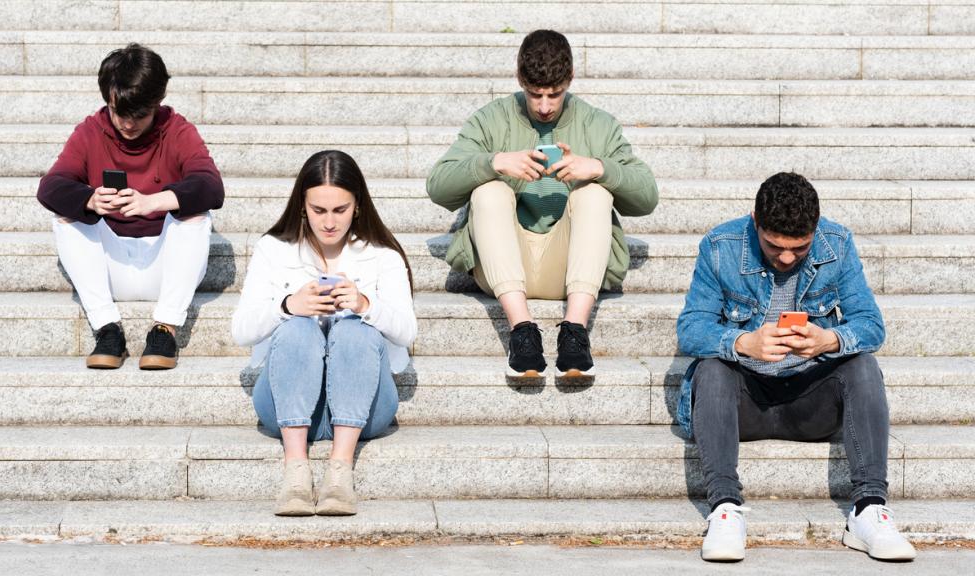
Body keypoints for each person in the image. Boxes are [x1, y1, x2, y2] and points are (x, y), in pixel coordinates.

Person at [676, 172, 916, 562]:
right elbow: (690, 329)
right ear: (755, 221)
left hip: (810, 402)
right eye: (774, 246)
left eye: (800, 248)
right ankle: (724, 508)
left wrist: (829, 339)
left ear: (815, 229)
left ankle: (869, 509)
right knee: (712, 369)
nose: (786, 258)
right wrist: (742, 343)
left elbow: (871, 325)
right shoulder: (721, 246)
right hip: (744, 402)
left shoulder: (837, 244)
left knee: (863, 365)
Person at [426, 29, 657, 378]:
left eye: (554, 94)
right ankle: (522, 332)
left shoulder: (597, 124)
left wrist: (598, 168)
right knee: (489, 191)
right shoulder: (491, 119)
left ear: (570, 79)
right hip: (502, 267)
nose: (545, 106)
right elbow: (438, 186)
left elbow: (648, 197)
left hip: (570, 268)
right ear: (520, 79)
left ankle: (575, 332)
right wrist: (494, 162)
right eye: (535, 94)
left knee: (594, 192)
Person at [232, 150, 416, 516]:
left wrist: (364, 305)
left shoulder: (382, 255)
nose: (329, 222)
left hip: (366, 408)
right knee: (297, 327)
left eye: (340, 210)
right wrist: (288, 306)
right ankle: (295, 472)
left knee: (355, 330)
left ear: (357, 206)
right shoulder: (274, 249)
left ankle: (339, 472)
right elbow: (241, 331)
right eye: (318, 210)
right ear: (302, 206)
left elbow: (407, 332)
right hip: (286, 406)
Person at [37, 43, 224, 370]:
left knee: (196, 215)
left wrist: (153, 201)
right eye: (118, 112)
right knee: (66, 215)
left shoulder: (178, 130)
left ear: (157, 102)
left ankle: (165, 329)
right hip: (110, 266)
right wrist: (90, 200)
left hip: (166, 267)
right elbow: (50, 187)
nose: (127, 124)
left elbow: (211, 186)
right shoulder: (90, 131)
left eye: (139, 115)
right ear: (107, 100)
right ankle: (107, 329)